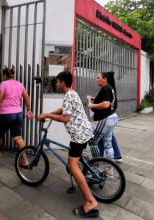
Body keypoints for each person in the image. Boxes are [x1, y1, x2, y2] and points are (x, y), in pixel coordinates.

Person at [37, 71, 99, 218]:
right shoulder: (71, 93)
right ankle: (83, 175)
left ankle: (90, 201)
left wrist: (47, 115)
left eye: (57, 81)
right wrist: (49, 113)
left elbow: (65, 118)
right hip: (83, 132)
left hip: (79, 135)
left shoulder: (69, 95)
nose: (56, 84)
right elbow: (64, 110)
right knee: (74, 163)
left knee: (72, 165)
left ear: (62, 82)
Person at [0, 68, 34, 167]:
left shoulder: (4, 84)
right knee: (18, 138)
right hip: (18, 114)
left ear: (5, 75)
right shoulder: (19, 84)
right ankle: (25, 161)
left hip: (6, 115)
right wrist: (29, 110)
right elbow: (27, 97)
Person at [88, 71, 118, 160]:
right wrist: (94, 98)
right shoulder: (109, 88)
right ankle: (110, 170)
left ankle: (94, 167)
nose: (96, 79)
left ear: (104, 79)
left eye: (98, 78)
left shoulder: (105, 88)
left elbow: (106, 104)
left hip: (105, 119)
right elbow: (106, 100)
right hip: (112, 118)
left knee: (92, 142)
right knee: (108, 145)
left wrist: (92, 105)